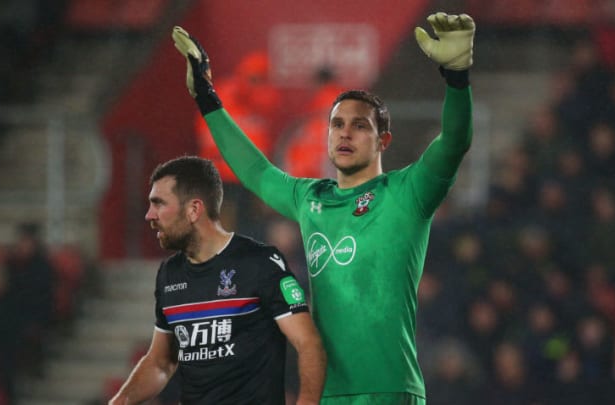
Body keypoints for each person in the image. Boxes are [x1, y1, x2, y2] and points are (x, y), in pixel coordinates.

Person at [172, 11, 475, 404]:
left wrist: (457, 78)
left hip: (389, 389)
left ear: (384, 140)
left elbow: (454, 141)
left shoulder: (408, 192)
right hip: (326, 392)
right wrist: (206, 97)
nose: (345, 132)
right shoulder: (311, 198)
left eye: (360, 125)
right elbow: (255, 170)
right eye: (337, 124)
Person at [108, 156, 326, 405]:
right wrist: (120, 401)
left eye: (159, 204)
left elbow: (308, 343)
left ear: (193, 210)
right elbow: (161, 362)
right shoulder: (170, 274)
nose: (149, 215)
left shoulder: (260, 262)